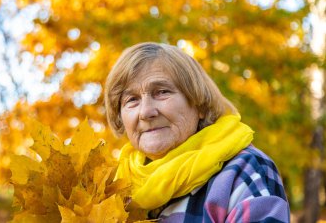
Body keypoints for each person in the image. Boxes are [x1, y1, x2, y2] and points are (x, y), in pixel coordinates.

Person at [104, 42, 290, 222]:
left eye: (161, 92)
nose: (145, 112)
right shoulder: (110, 187)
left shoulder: (243, 170)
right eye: (132, 100)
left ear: (199, 104)